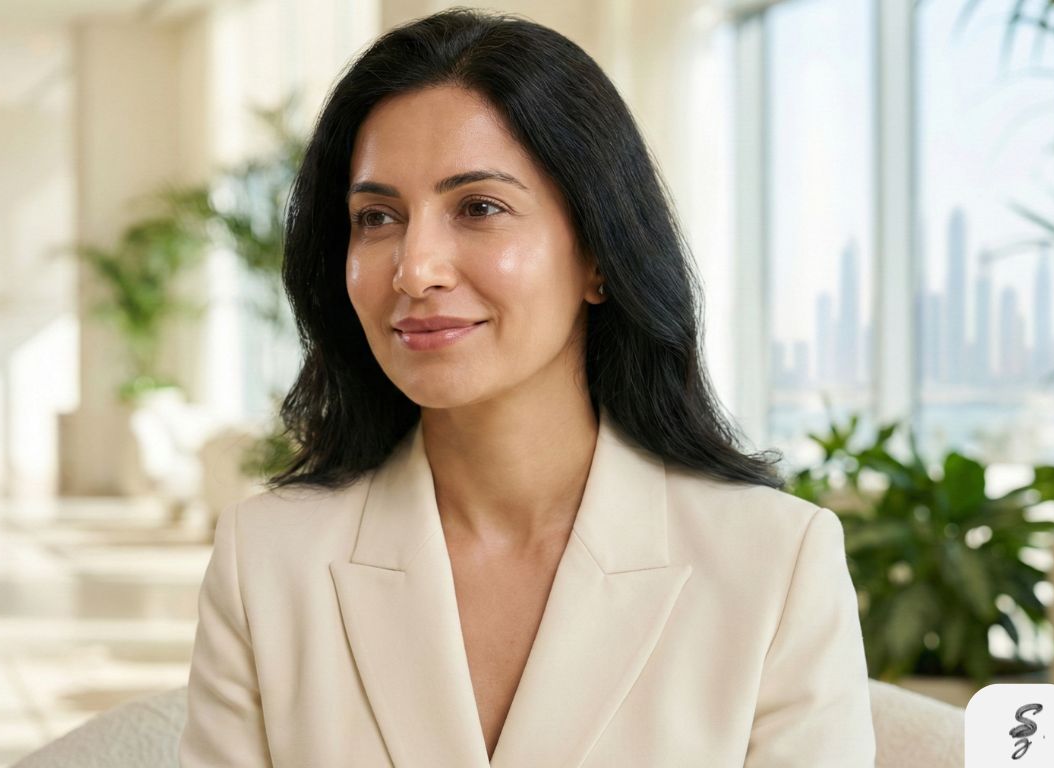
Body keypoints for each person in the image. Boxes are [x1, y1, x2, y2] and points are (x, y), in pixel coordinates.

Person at [180, 7, 875, 767]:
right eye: (377, 217)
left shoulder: (775, 564)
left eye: (479, 208)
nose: (415, 270)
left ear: (599, 257)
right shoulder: (268, 561)